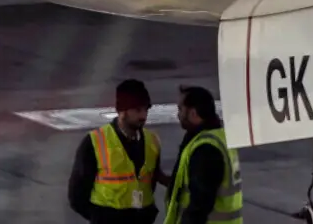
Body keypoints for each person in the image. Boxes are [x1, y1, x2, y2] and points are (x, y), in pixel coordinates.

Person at [68, 79, 162, 223]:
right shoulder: (94, 142)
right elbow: (76, 195)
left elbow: (150, 182)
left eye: (146, 109)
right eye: (137, 110)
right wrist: (100, 218)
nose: (144, 116)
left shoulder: (152, 141)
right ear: (122, 111)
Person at [160, 86, 242, 224]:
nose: (178, 115)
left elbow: (200, 204)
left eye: (180, 109)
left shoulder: (205, 149)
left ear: (193, 113)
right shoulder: (219, 138)